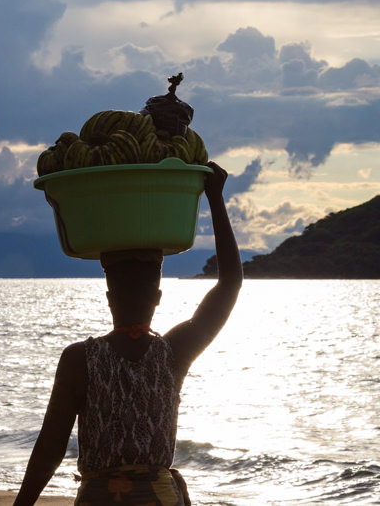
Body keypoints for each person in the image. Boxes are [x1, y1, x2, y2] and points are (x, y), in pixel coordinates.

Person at [13, 161, 243, 506]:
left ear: (109, 298)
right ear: (158, 297)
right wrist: (215, 197)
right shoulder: (174, 351)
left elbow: (51, 445)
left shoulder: (79, 358)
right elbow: (229, 284)